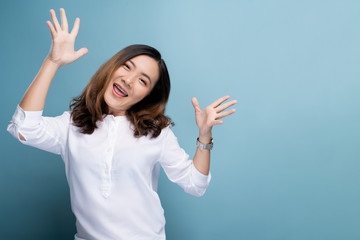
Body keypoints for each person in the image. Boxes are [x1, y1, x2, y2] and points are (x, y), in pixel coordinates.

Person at [7, 8, 237, 240]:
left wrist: (204, 136)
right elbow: (24, 128)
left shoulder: (157, 132)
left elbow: (195, 185)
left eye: (142, 80)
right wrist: (52, 62)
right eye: (127, 67)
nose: (128, 80)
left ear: (148, 95)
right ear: (113, 67)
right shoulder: (72, 125)